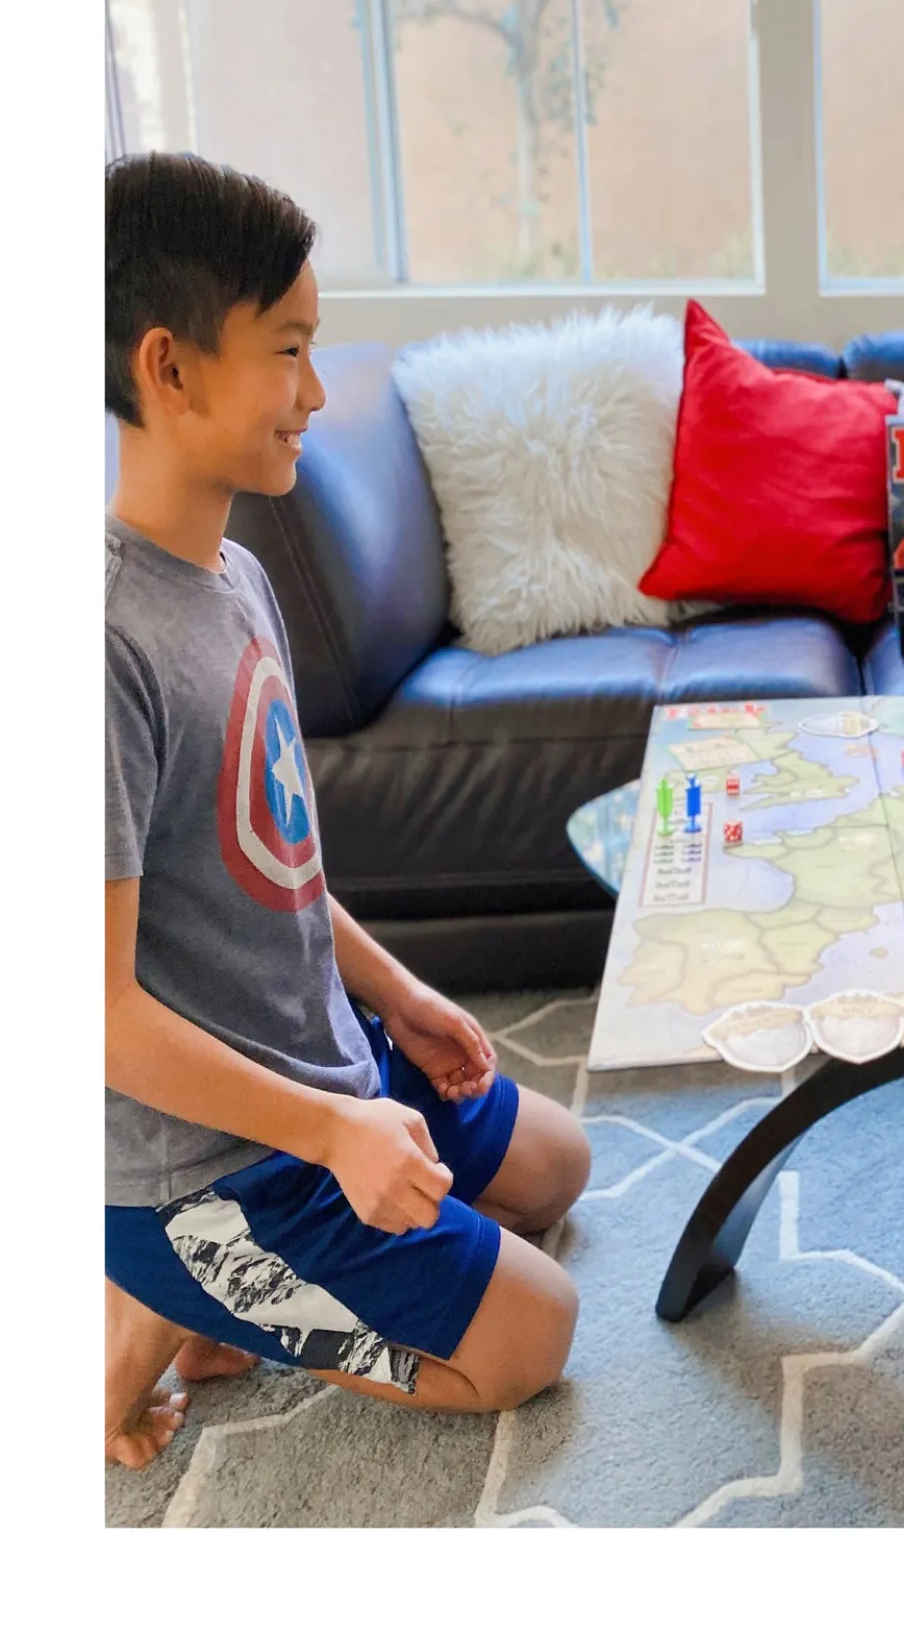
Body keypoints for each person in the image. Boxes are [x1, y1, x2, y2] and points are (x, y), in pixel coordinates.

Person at [105, 153, 591, 1470]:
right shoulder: (100, 645)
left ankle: (205, 1299)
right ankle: (172, 1294)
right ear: (170, 368)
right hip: (209, 1165)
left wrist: (402, 996)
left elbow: (275, 871)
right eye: (289, 349)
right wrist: (333, 1132)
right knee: (532, 1335)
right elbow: (93, 1015)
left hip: (321, 1066)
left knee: (557, 1167)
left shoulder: (236, 576)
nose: (317, 392)